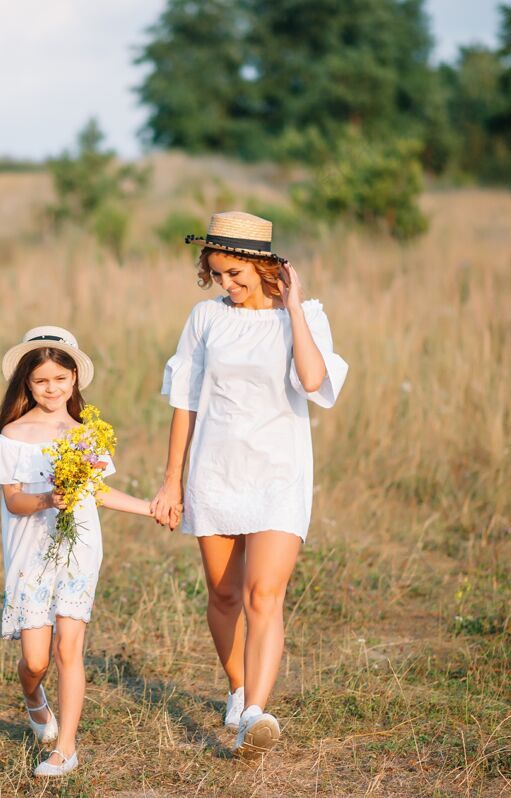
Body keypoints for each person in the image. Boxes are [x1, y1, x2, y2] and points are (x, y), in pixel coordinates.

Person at [151, 211, 349, 759]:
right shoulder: (204, 319)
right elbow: (184, 400)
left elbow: (313, 381)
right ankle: (238, 690)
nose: (227, 286)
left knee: (266, 594)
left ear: (264, 266)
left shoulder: (303, 316)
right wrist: (172, 482)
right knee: (224, 594)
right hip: (214, 470)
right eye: (217, 275)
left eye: (236, 274)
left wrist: (293, 307)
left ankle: (256, 716)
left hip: (280, 474)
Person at [0, 326, 153, 777]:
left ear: (74, 379)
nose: (51, 389)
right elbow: (14, 501)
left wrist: (151, 508)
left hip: (79, 549)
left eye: (60, 378)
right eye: (41, 381)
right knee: (36, 659)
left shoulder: (86, 433)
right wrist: (47, 499)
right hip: (30, 550)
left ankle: (66, 750)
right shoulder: (12, 435)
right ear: (26, 384)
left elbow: (98, 492)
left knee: (68, 650)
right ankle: (33, 697)